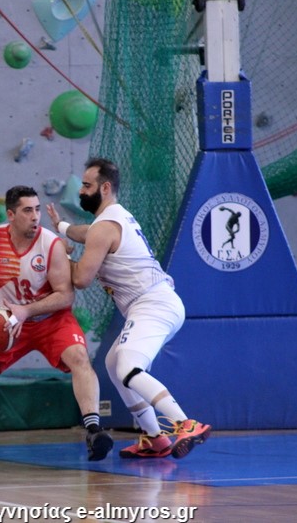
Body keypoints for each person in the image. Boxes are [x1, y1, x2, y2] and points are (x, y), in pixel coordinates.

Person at [0, 186, 113, 468]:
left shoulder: (51, 244)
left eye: (37, 209)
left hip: (50, 319)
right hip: (9, 322)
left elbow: (65, 295)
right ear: (11, 215)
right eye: (28, 210)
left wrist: (27, 310)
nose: (36, 216)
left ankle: (93, 431)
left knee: (79, 358)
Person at [46, 158, 211, 459]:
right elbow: (87, 233)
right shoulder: (114, 218)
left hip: (153, 304)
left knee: (128, 367)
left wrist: (57, 256)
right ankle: (155, 438)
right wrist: (62, 227)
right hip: (155, 303)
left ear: (105, 188)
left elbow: (81, 279)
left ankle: (185, 424)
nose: (81, 191)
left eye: (86, 185)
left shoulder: (105, 226)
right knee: (113, 365)